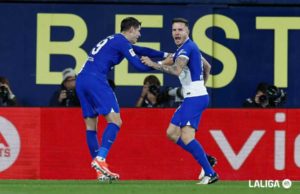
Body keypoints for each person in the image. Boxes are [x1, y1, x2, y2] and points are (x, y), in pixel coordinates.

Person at [76, 17, 168, 182]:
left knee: (91, 126)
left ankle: (100, 172)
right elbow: (139, 66)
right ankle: (101, 159)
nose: (139, 34)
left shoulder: (115, 40)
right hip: (96, 80)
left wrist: (166, 54)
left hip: (81, 80)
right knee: (116, 121)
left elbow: (140, 49)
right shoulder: (121, 41)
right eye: (138, 30)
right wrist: (161, 63)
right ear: (131, 29)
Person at [141, 18, 218, 184]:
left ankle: (210, 173)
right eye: (174, 30)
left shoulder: (187, 48)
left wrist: (153, 64)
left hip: (195, 97)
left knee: (187, 136)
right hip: (194, 95)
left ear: (187, 31)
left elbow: (176, 70)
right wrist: (200, 86)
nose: (176, 33)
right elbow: (208, 67)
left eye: (180, 30)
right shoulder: (189, 48)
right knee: (171, 133)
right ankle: (205, 159)